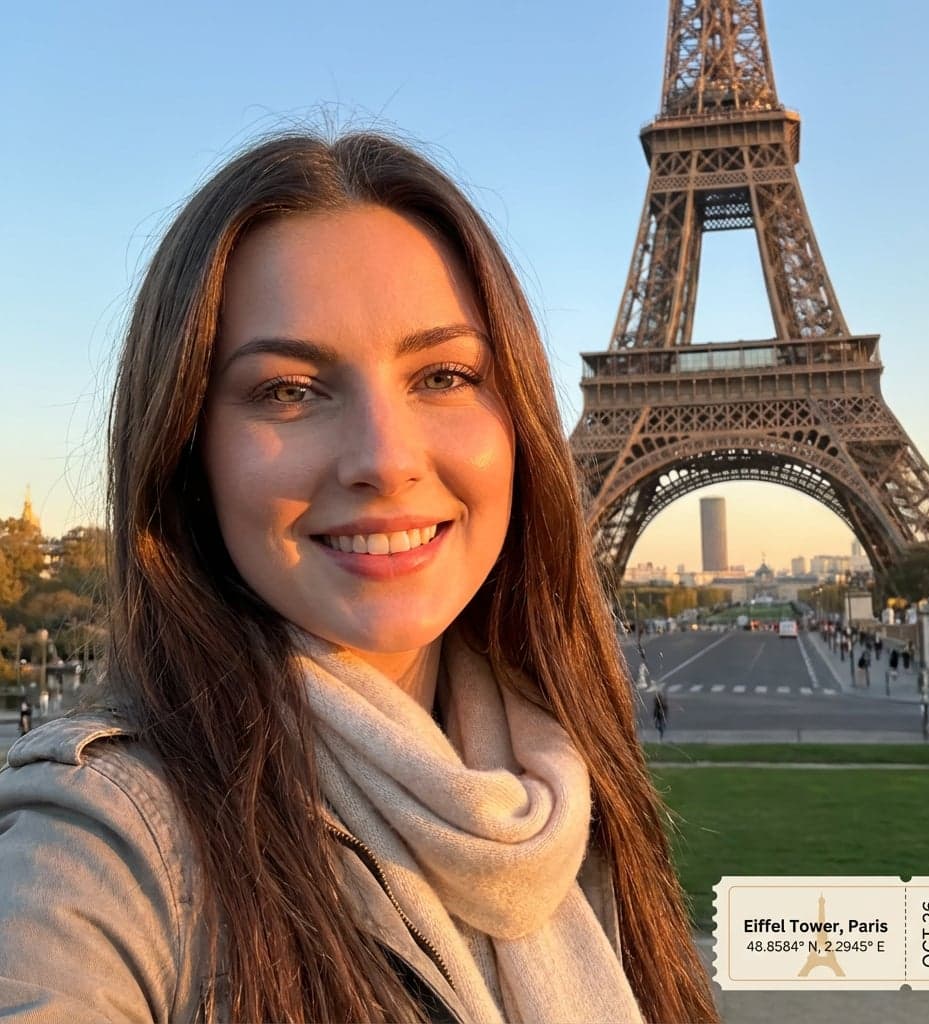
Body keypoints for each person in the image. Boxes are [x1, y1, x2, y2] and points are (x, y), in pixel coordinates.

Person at [0, 133, 718, 1024]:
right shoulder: (108, 846)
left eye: (445, 375)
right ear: (189, 451)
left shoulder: (573, 796)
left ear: (520, 417)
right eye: (288, 390)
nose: (384, 459)